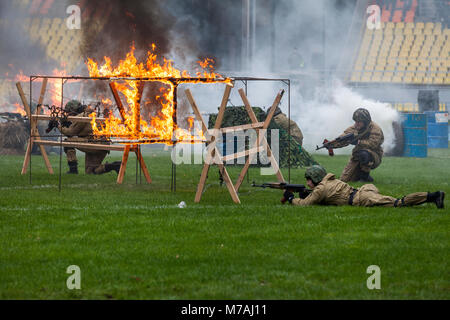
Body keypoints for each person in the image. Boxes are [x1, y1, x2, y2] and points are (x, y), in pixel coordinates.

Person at [282, 165, 445, 209]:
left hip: (363, 198)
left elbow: (306, 204)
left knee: (398, 203)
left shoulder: (320, 189)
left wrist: (291, 199)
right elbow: (319, 196)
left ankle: (433, 196)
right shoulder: (329, 180)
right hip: (364, 190)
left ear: (316, 179)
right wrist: (305, 193)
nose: (308, 182)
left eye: (309, 179)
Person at [59, 100, 121, 175]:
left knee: (68, 142)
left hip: (94, 143)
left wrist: (58, 126)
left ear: (74, 110)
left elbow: (70, 132)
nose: (68, 114)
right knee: (91, 172)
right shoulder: (90, 113)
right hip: (102, 144)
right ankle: (114, 166)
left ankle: (73, 170)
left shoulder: (82, 116)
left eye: (69, 112)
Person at [331, 108, 383, 182]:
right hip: (357, 154)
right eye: (355, 121)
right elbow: (343, 137)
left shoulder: (375, 129)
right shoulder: (355, 127)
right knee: (345, 180)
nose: (356, 124)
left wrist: (358, 142)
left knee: (364, 154)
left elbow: (373, 144)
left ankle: (364, 177)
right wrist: (332, 145)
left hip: (374, 155)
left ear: (365, 121)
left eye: (359, 122)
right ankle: (366, 177)